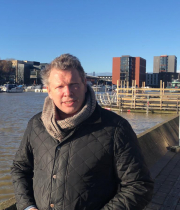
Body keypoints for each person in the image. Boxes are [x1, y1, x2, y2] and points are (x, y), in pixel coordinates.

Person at [11, 54, 153, 210]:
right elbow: (20, 168)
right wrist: (27, 206)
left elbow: (139, 186)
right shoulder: (36, 125)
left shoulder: (116, 128)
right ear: (49, 91)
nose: (68, 92)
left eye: (74, 84)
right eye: (59, 87)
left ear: (85, 84)